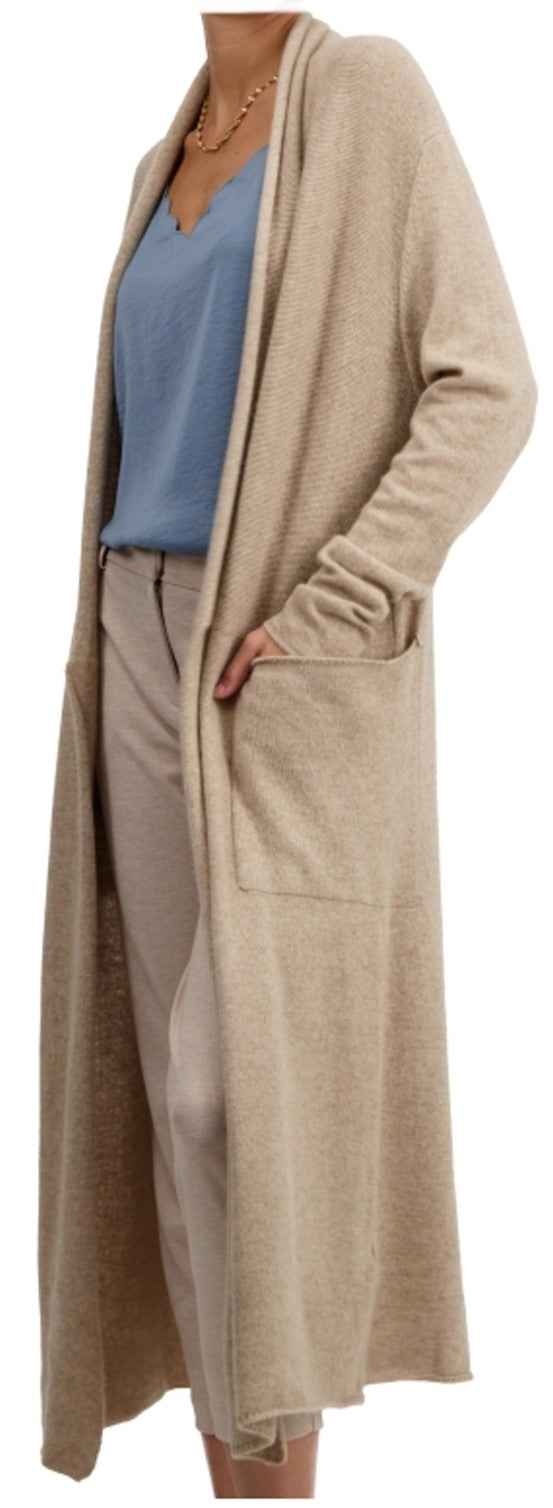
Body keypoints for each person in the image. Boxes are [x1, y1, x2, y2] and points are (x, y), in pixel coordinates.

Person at [38, 9, 537, 1501]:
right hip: (135, 633)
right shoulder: (160, 155)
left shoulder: (369, 95)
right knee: (172, 1118)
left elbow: (488, 384)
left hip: (279, 664)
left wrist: (339, 601)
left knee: (230, 1097)